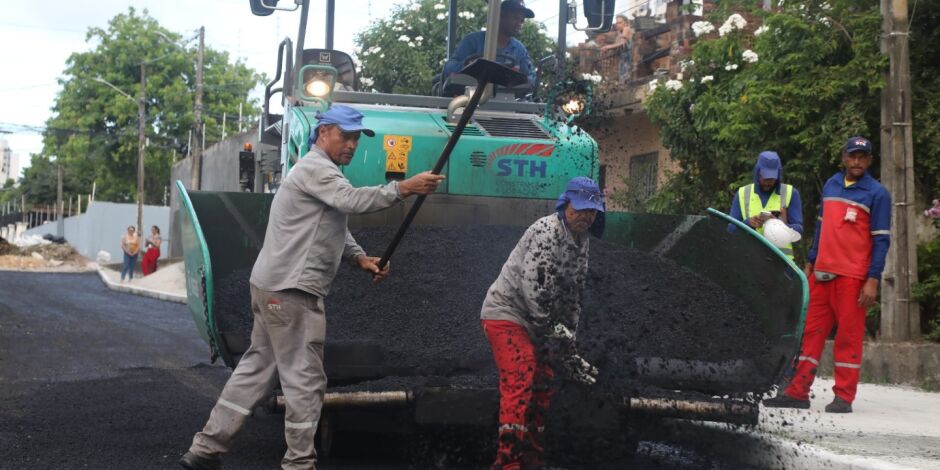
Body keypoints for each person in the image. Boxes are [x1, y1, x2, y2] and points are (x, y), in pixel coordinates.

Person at [179, 105, 445, 470]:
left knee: (255, 371)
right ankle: (299, 464)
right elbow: (352, 201)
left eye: (356, 138)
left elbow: (333, 220)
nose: (351, 144)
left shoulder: (319, 172)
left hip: (272, 287)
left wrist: (358, 258)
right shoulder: (316, 168)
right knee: (305, 381)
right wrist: (404, 188)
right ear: (323, 133)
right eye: (345, 136)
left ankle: (204, 451)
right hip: (292, 293)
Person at [480, 176, 604, 470]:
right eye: (580, 208)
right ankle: (508, 463)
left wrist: (570, 349)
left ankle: (532, 458)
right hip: (507, 313)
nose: (586, 216)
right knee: (522, 371)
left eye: (592, 210)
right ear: (566, 204)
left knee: (544, 380)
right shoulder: (546, 231)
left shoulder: (582, 242)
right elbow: (533, 290)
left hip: (538, 322)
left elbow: (573, 295)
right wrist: (553, 332)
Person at [764, 136, 890, 414]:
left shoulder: (877, 194)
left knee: (848, 337)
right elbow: (821, 227)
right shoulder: (832, 185)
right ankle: (797, 392)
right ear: (844, 157)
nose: (856, 162)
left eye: (862, 157)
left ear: (869, 161)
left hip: (852, 278)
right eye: (852, 156)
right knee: (808, 334)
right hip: (821, 273)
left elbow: (881, 240)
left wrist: (873, 279)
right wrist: (811, 260)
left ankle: (844, 396)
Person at [440, 0, 537, 92]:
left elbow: (531, 78)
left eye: (521, 21)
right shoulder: (472, 41)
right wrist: (467, 65)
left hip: (507, 101)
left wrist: (519, 79)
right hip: (470, 98)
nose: (519, 24)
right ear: (501, 15)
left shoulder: (520, 50)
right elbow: (449, 68)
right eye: (516, 18)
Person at [728, 151, 804, 259]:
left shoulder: (791, 193)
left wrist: (781, 225)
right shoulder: (743, 193)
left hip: (781, 262)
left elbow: (799, 230)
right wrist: (748, 223)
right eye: (765, 178)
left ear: (778, 175)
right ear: (757, 172)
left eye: (772, 179)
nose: (768, 182)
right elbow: (730, 229)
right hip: (750, 260)